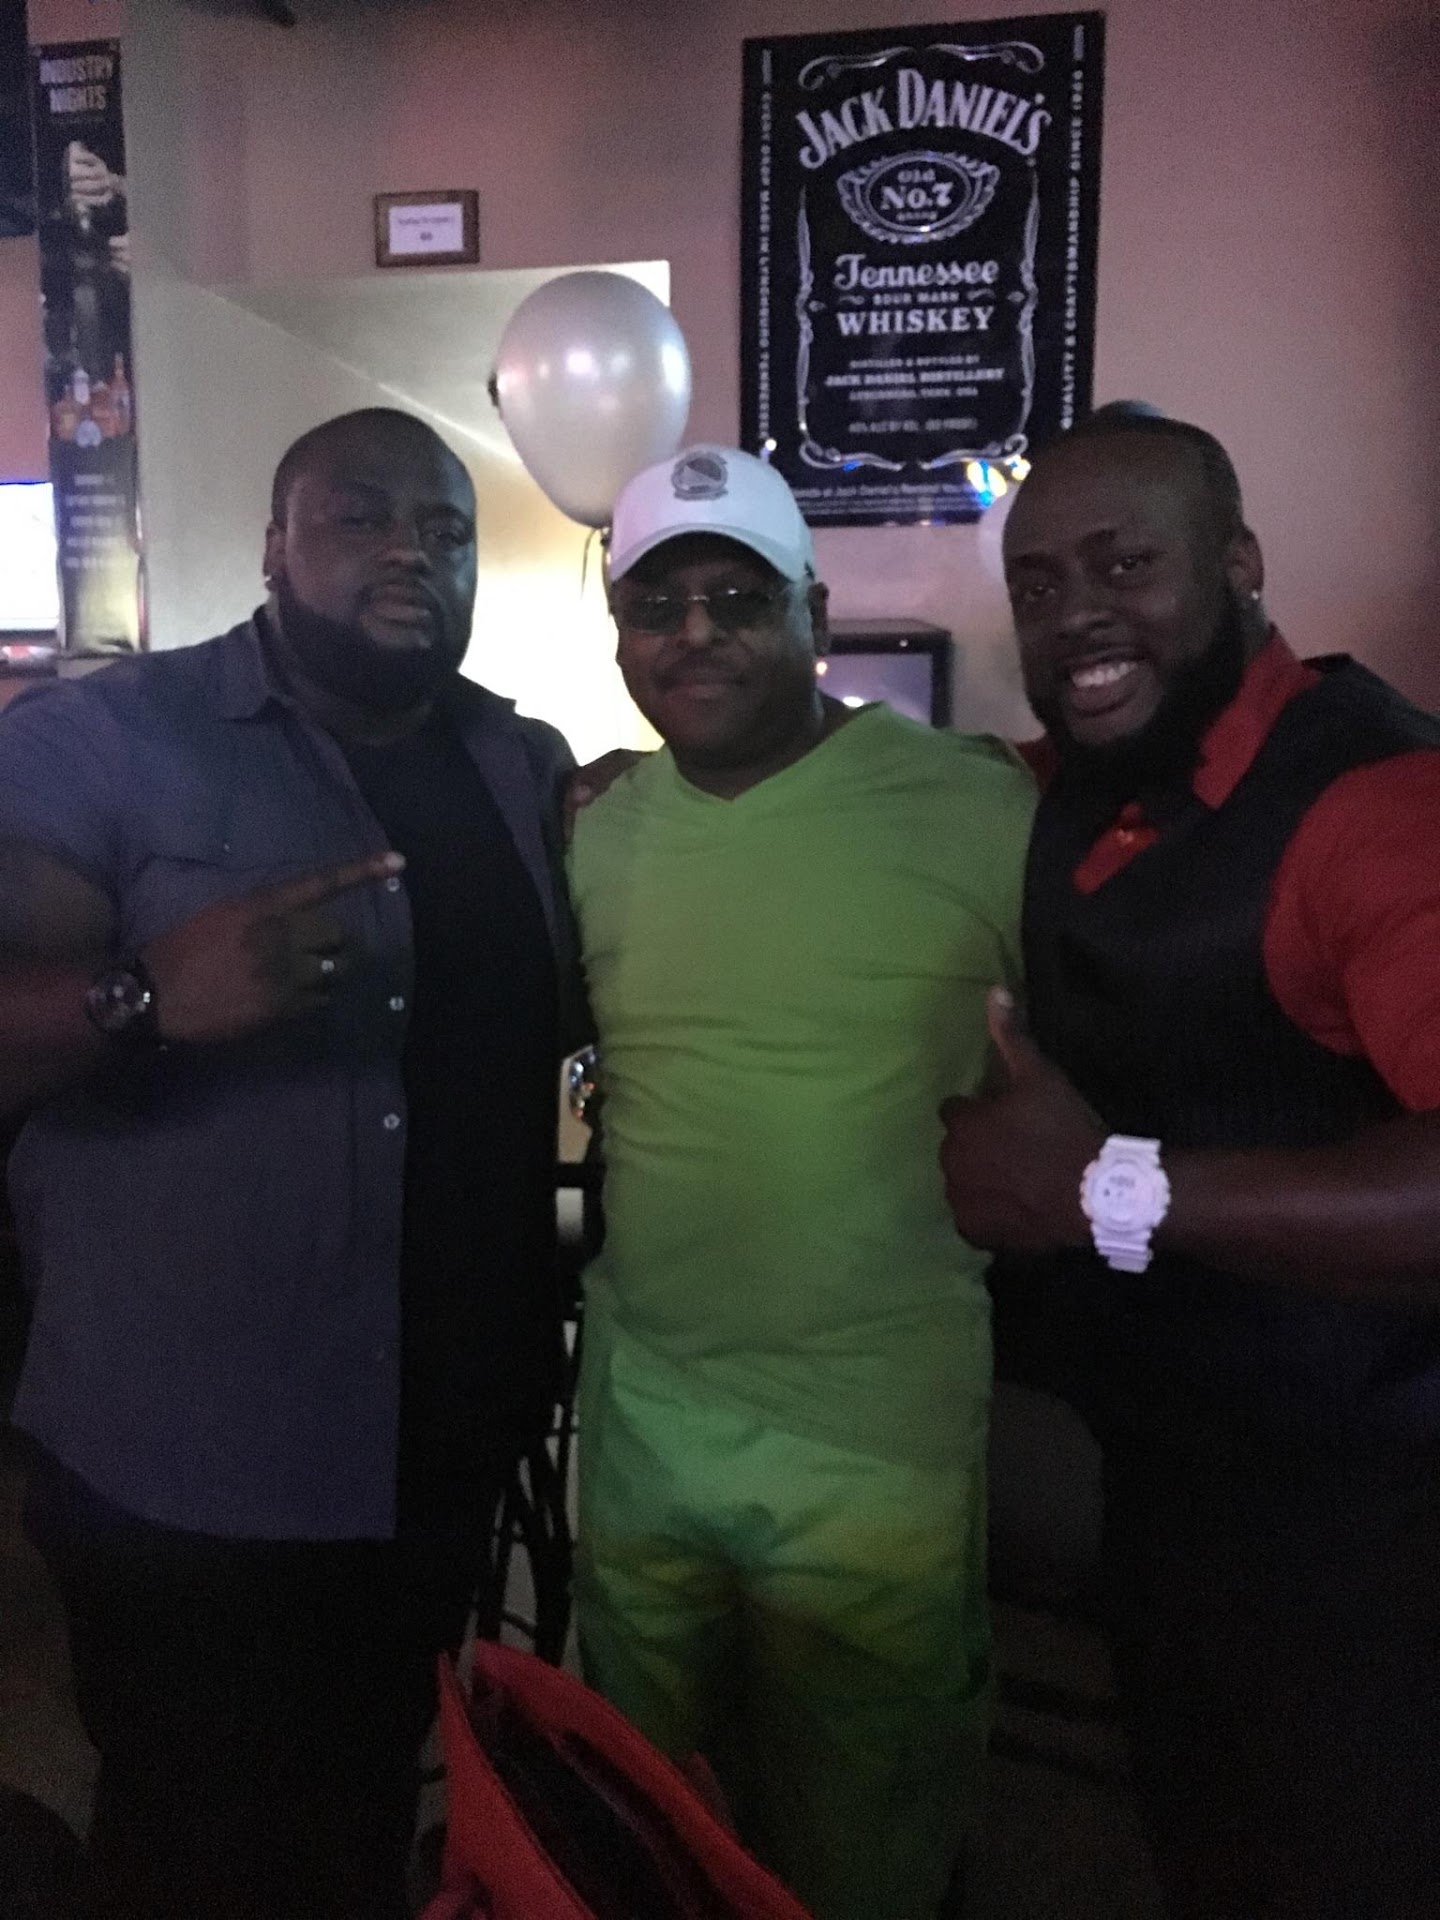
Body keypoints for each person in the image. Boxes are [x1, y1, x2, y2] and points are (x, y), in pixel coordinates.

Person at [0, 407, 579, 1920]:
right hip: (185, 1464)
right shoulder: (97, 741)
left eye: (446, 530)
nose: (411, 554)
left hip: (437, 1439)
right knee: (190, 1845)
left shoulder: (520, 764)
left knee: (362, 1806)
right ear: (274, 547)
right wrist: (140, 997)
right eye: (360, 517)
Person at [939, 409, 1440, 1920]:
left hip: (1370, 1517)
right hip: (1172, 1472)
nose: (1076, 614)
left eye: (1125, 565)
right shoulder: (1079, 776)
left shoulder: (1373, 805)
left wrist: (1105, 1187)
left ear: (1239, 563)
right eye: (1037, 584)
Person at [567, 445, 1036, 1920]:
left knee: (862, 1841)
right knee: (635, 1821)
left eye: (739, 599)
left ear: (814, 615)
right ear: (621, 634)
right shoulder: (595, 829)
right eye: (658, 606)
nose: (695, 635)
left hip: (876, 1433)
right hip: (645, 1410)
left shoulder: (982, 809)